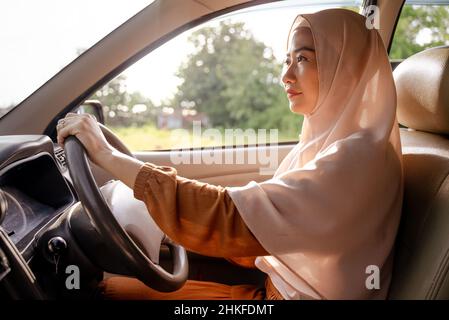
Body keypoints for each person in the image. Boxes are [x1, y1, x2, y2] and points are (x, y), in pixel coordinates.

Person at [56, 8, 403, 300]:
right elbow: (265, 223)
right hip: (277, 281)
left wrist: (107, 156)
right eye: (287, 60)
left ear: (346, 67)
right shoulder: (330, 142)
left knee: (105, 292)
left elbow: (231, 219)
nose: (285, 75)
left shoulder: (355, 160)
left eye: (303, 58)